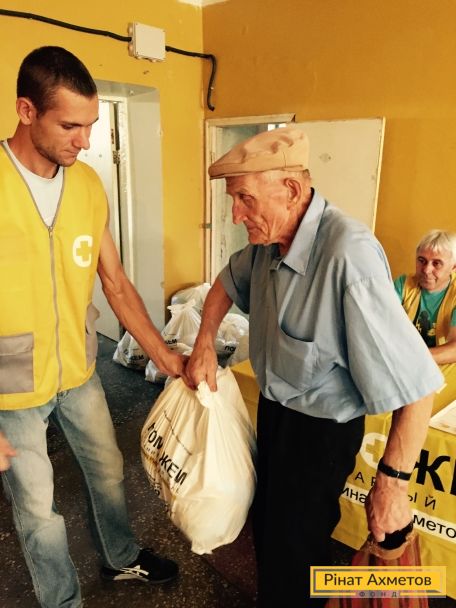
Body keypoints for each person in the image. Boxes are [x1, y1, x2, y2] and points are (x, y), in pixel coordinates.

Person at [186, 127, 444, 607]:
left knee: (296, 552)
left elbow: (418, 386)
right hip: (275, 414)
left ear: (290, 190)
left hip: (320, 433)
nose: (236, 215)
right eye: (233, 200)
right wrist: (204, 343)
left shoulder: (348, 254)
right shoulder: (268, 242)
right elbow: (224, 283)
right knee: (269, 532)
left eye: (244, 199)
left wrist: (392, 486)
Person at [0, 46, 185, 608]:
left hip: (79, 365)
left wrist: (164, 357)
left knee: (108, 471)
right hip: (11, 378)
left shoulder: (86, 186)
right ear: (26, 111)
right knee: (39, 512)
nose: (85, 141)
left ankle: (121, 559)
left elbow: (117, 283)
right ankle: (63, 602)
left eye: (91, 125)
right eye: (70, 126)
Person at [394, 229, 456, 413]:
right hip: (404, 363)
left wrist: (413, 358)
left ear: (453, 267)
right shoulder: (403, 284)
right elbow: (380, 326)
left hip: (443, 367)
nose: (426, 270)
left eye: (436, 263)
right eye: (421, 260)